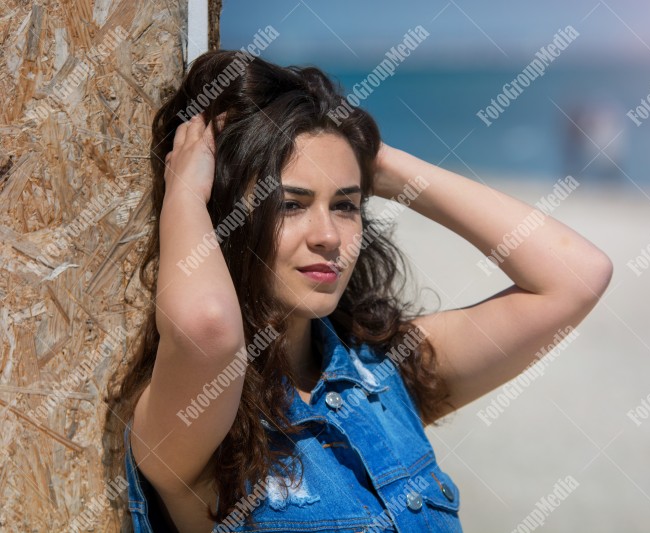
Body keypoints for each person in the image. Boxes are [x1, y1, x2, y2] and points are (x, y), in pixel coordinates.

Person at [104, 50, 613, 532]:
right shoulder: (197, 414)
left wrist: (376, 158)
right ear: (227, 221)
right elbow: (208, 328)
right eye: (291, 204)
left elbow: (576, 278)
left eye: (346, 206)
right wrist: (188, 193)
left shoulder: (386, 373)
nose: (328, 236)